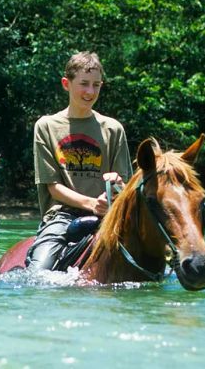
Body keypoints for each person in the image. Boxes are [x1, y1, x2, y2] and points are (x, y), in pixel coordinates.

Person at [26, 51, 133, 270]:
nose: (90, 91)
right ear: (66, 83)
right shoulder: (46, 126)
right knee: (39, 273)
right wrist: (92, 204)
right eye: (84, 83)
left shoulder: (113, 129)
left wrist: (115, 186)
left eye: (96, 85)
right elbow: (53, 188)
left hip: (110, 215)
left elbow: (125, 186)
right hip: (62, 217)